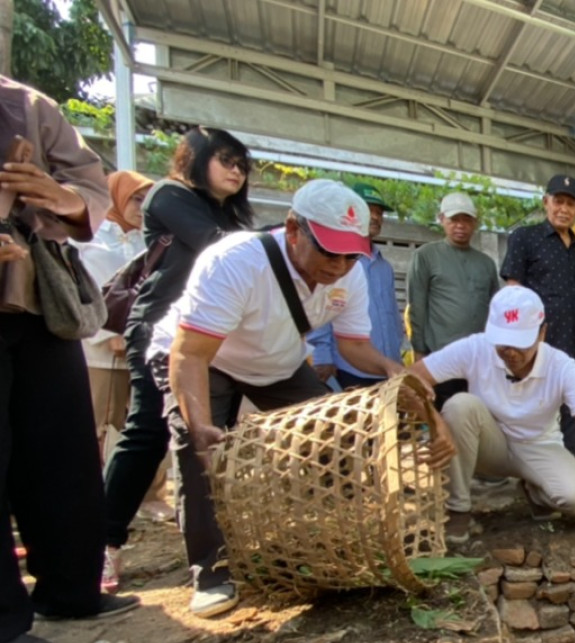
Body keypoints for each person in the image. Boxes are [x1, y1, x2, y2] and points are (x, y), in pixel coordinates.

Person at [147, 179, 418, 618]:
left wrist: (390, 368)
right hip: (206, 358)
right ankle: (213, 572)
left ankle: (331, 543)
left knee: (334, 437)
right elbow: (189, 354)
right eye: (329, 251)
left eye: (351, 254)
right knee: (203, 456)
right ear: (293, 229)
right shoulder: (236, 262)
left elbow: (353, 346)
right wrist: (197, 423)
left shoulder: (351, 275)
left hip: (277, 361)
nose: (340, 265)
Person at [0, 76, 139, 643]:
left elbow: (91, 185)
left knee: (61, 447)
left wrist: (59, 198)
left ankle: (70, 588)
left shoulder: (27, 105)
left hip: (36, 295)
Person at [100, 128, 254, 593]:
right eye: (225, 160)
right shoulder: (169, 195)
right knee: (147, 433)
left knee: (209, 434)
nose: (235, 171)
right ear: (196, 159)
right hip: (159, 331)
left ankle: (219, 542)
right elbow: (218, 246)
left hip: (213, 335)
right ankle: (101, 543)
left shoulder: (226, 213)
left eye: (242, 166)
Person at [410, 286, 575, 544]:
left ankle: (534, 490)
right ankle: (457, 510)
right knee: (460, 406)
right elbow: (410, 379)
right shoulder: (476, 347)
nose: (511, 353)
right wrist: (436, 423)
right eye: (503, 344)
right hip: (488, 444)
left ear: (542, 333)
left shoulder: (561, 366)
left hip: (538, 445)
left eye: (521, 343)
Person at [78, 172, 176, 538]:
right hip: (100, 351)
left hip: (142, 344)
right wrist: (109, 334)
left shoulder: (152, 239)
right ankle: (89, 501)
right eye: (135, 199)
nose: (141, 208)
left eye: (146, 201)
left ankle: (151, 495)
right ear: (116, 198)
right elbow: (85, 290)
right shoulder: (87, 236)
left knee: (148, 420)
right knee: (97, 427)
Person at [501, 175, 575, 458]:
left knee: (574, 410)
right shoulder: (525, 238)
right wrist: (518, 343)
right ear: (546, 202)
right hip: (538, 345)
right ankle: (533, 473)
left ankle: (568, 468)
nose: (563, 209)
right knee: (535, 410)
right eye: (558, 202)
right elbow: (513, 292)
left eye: (571, 204)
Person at [308, 182, 406, 390]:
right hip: (349, 366)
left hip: (385, 365)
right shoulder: (336, 260)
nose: (376, 217)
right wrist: (322, 355)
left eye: (379, 212)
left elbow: (391, 315)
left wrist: (395, 357)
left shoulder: (384, 266)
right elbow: (322, 309)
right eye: (369, 210)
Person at [407, 191, 499, 408]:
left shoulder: (486, 263)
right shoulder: (426, 256)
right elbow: (417, 305)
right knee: (441, 419)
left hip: (478, 359)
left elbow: (495, 310)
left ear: (475, 223)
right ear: (441, 219)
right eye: (454, 219)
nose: (460, 225)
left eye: (466, 220)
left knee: (475, 415)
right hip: (440, 355)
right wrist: (419, 351)